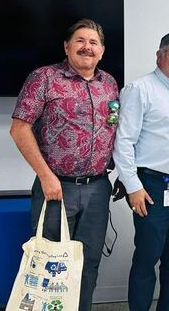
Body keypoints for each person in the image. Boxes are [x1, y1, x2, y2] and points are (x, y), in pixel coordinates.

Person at [10, 19, 118, 311]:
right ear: (67, 47)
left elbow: (114, 130)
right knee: (51, 265)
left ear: (102, 50)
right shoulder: (44, 78)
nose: (87, 47)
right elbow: (19, 129)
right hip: (56, 188)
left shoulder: (108, 84)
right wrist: (45, 176)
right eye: (80, 40)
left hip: (98, 188)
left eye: (94, 42)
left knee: (89, 262)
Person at [113, 33, 169, 310]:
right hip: (151, 187)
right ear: (159, 56)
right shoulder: (139, 89)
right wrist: (133, 186)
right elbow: (124, 141)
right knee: (146, 258)